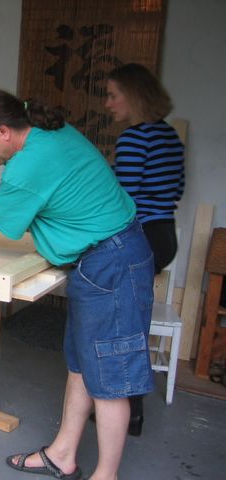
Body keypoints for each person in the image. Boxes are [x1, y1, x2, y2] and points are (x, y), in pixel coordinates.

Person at [0, 87, 154, 480]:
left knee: (110, 379)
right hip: (101, 259)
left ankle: (106, 476)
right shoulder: (38, 128)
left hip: (113, 262)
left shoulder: (30, 165)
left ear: (3, 132)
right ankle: (62, 455)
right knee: (83, 365)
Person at [105, 63, 185, 436]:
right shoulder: (168, 135)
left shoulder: (135, 138)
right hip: (164, 235)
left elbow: (123, 201)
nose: (108, 104)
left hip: (141, 237)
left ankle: (128, 411)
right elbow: (176, 189)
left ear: (133, 96)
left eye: (113, 95)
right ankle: (127, 408)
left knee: (123, 328)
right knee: (133, 323)